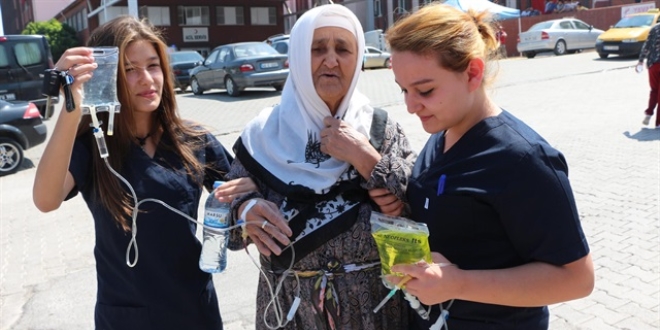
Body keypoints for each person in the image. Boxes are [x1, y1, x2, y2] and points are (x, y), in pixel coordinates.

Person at [32, 16, 256, 330]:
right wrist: (72, 107)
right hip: (127, 316)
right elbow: (45, 199)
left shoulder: (193, 140)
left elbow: (242, 195)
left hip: (194, 311)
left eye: (153, 65)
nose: (147, 79)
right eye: (129, 70)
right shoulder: (94, 149)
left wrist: (247, 206)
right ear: (106, 76)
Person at [384, 4, 594, 329]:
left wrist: (458, 282)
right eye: (403, 90)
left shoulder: (522, 159)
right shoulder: (440, 135)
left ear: (472, 73)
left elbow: (577, 279)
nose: (410, 106)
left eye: (425, 90)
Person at [225, 4, 416, 330]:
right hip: (290, 313)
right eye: (317, 49)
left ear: (357, 60)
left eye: (343, 49)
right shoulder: (263, 135)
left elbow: (425, 199)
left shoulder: (381, 130)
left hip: (378, 312)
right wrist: (244, 211)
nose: (331, 60)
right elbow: (221, 216)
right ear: (297, 56)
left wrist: (367, 158)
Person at [638, 22, 660, 128]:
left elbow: (646, 45)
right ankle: (659, 122)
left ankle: (649, 113)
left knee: (654, 90)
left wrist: (641, 61)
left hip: (653, 64)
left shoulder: (654, 28)